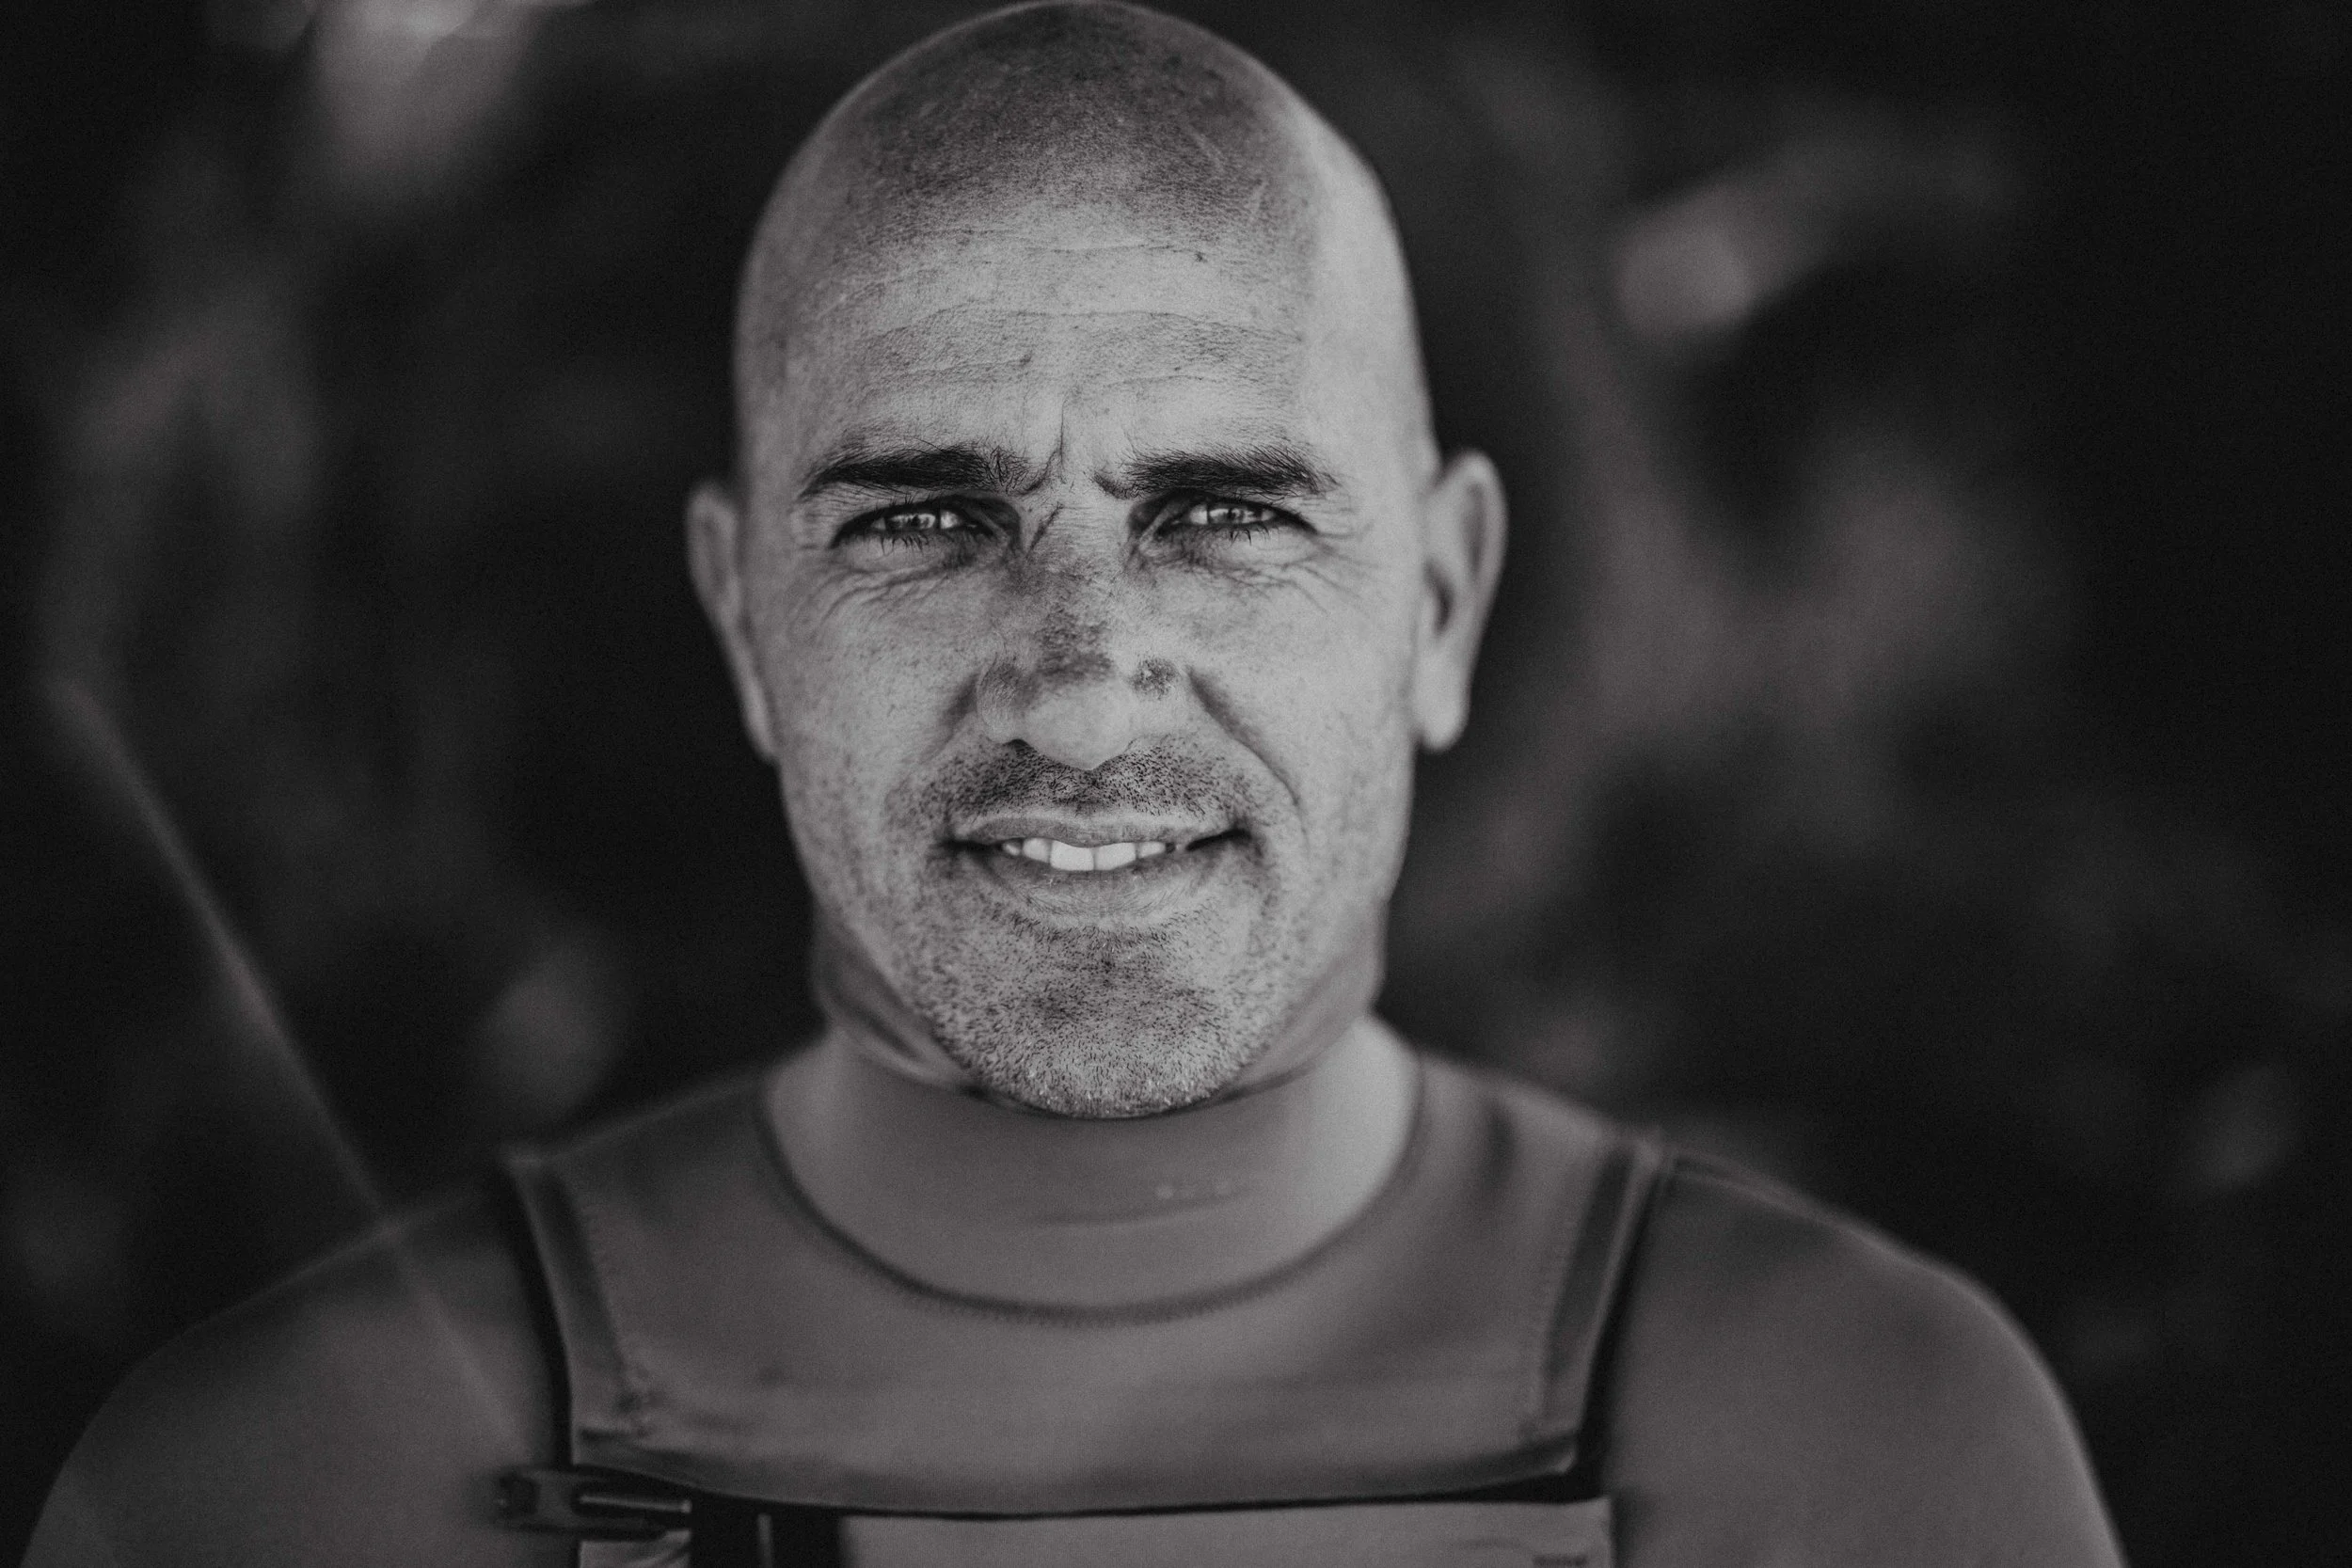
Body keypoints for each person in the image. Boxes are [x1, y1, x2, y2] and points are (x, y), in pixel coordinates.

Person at [24, 5, 2125, 1564]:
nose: (1084, 674)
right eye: (926, 520)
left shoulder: (1878, 1454)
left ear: (1447, 600)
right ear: (742, 614)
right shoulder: (272, 1490)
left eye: (1221, 512)